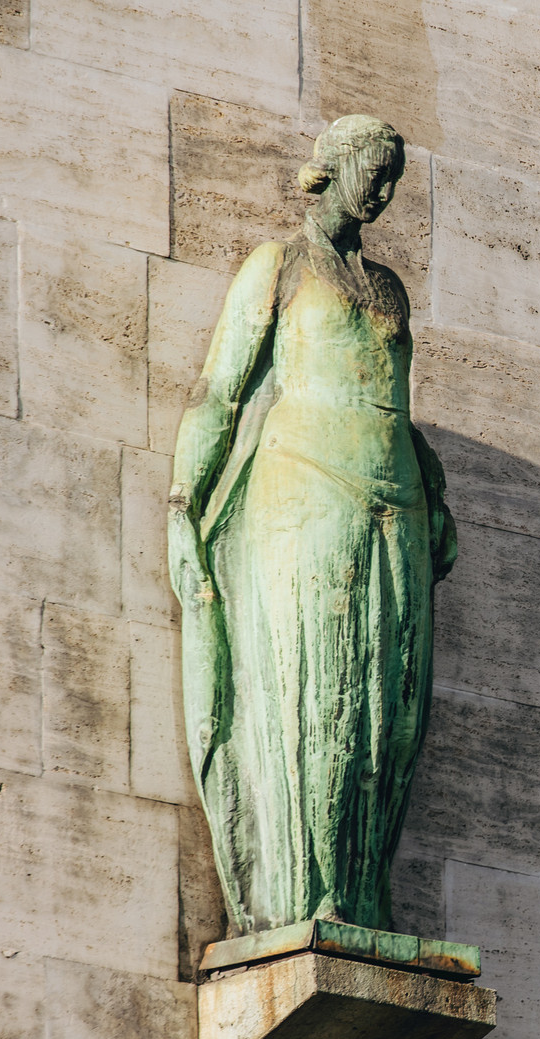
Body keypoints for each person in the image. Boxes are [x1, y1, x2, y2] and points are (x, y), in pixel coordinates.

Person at [168, 114, 457, 936]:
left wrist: (435, 491)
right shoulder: (280, 265)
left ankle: (364, 896)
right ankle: (306, 897)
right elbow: (220, 396)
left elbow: (393, 403)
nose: (386, 189)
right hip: (306, 493)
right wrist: (184, 503)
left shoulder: (390, 288)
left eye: (396, 175)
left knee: (391, 709)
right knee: (318, 690)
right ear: (332, 168)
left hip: (396, 504)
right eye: (377, 169)